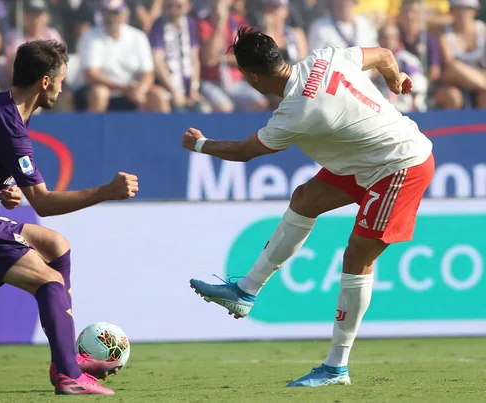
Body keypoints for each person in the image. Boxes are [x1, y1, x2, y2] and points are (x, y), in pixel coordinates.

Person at [184, 28, 434, 387]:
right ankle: (246, 291)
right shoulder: (325, 57)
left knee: (357, 257)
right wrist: (396, 80)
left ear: (253, 77)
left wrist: (199, 144)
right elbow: (383, 55)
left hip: (400, 165)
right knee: (306, 198)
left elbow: (242, 152)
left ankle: (336, 366)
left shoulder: (296, 111)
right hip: (366, 160)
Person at [0, 40, 139, 396]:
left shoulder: (0, 107)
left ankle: (64, 358)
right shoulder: (7, 122)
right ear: (46, 82)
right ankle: (69, 374)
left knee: (55, 244)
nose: (65, 87)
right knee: (49, 281)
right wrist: (106, 191)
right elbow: (45, 204)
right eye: (62, 79)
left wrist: (2, 188)